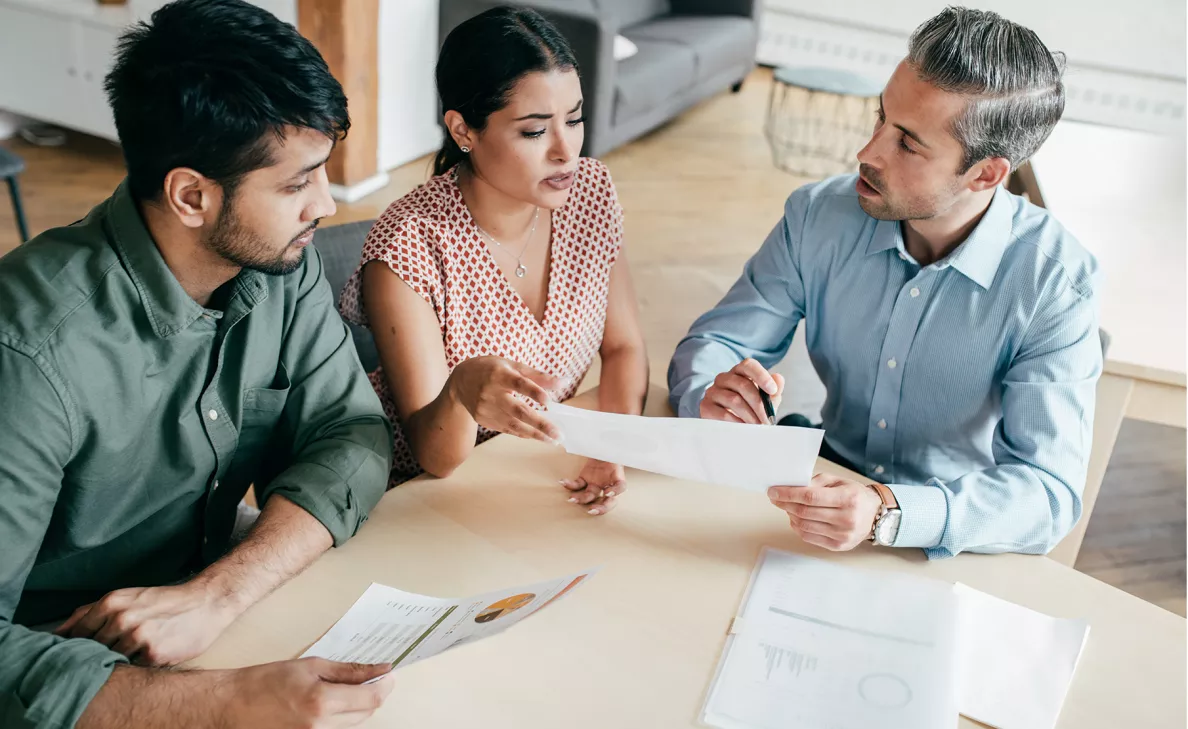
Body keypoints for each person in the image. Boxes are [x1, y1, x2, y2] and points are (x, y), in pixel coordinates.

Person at [0, 0, 397, 726]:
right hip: (66, 681)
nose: (324, 204)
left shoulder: (281, 263)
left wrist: (220, 593)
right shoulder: (29, 352)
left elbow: (350, 433)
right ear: (191, 195)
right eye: (294, 183)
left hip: (213, 618)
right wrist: (229, 700)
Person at [668, 7, 1100, 559]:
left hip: (948, 537)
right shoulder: (817, 215)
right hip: (811, 497)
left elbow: (1046, 491)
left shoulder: (1055, 284)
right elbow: (717, 345)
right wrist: (712, 396)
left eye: (909, 144)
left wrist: (890, 512)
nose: (866, 154)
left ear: (986, 173)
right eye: (880, 119)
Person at [340, 7, 648, 513]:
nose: (565, 151)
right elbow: (434, 457)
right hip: (423, 498)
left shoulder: (589, 192)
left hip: (536, 470)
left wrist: (608, 447)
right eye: (534, 132)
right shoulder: (407, 242)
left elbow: (625, 348)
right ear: (464, 130)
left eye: (574, 120)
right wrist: (462, 391)